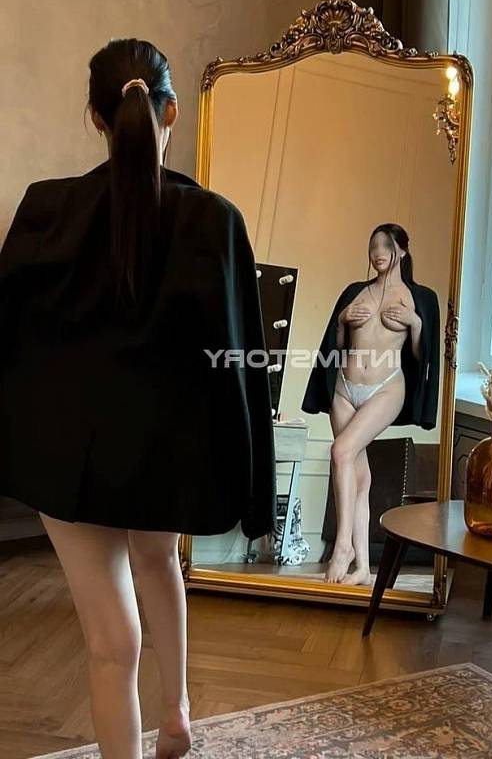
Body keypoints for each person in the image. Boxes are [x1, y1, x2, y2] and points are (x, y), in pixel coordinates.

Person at [0, 38, 276, 759]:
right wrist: (253, 492)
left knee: (111, 645)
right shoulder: (215, 222)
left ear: (95, 119)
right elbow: (243, 365)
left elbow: (11, 346)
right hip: (164, 457)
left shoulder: (42, 212)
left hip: (71, 461)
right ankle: (177, 714)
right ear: (171, 112)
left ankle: (171, 718)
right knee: (159, 562)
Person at [301, 224, 440, 586]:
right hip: (344, 389)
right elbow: (335, 345)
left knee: (340, 452)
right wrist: (342, 321)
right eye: (374, 245)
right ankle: (363, 567)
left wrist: (415, 324)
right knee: (359, 476)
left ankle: (342, 547)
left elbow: (421, 357)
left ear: (403, 250)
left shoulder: (420, 298)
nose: (378, 252)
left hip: (386, 387)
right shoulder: (354, 292)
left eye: (386, 245)